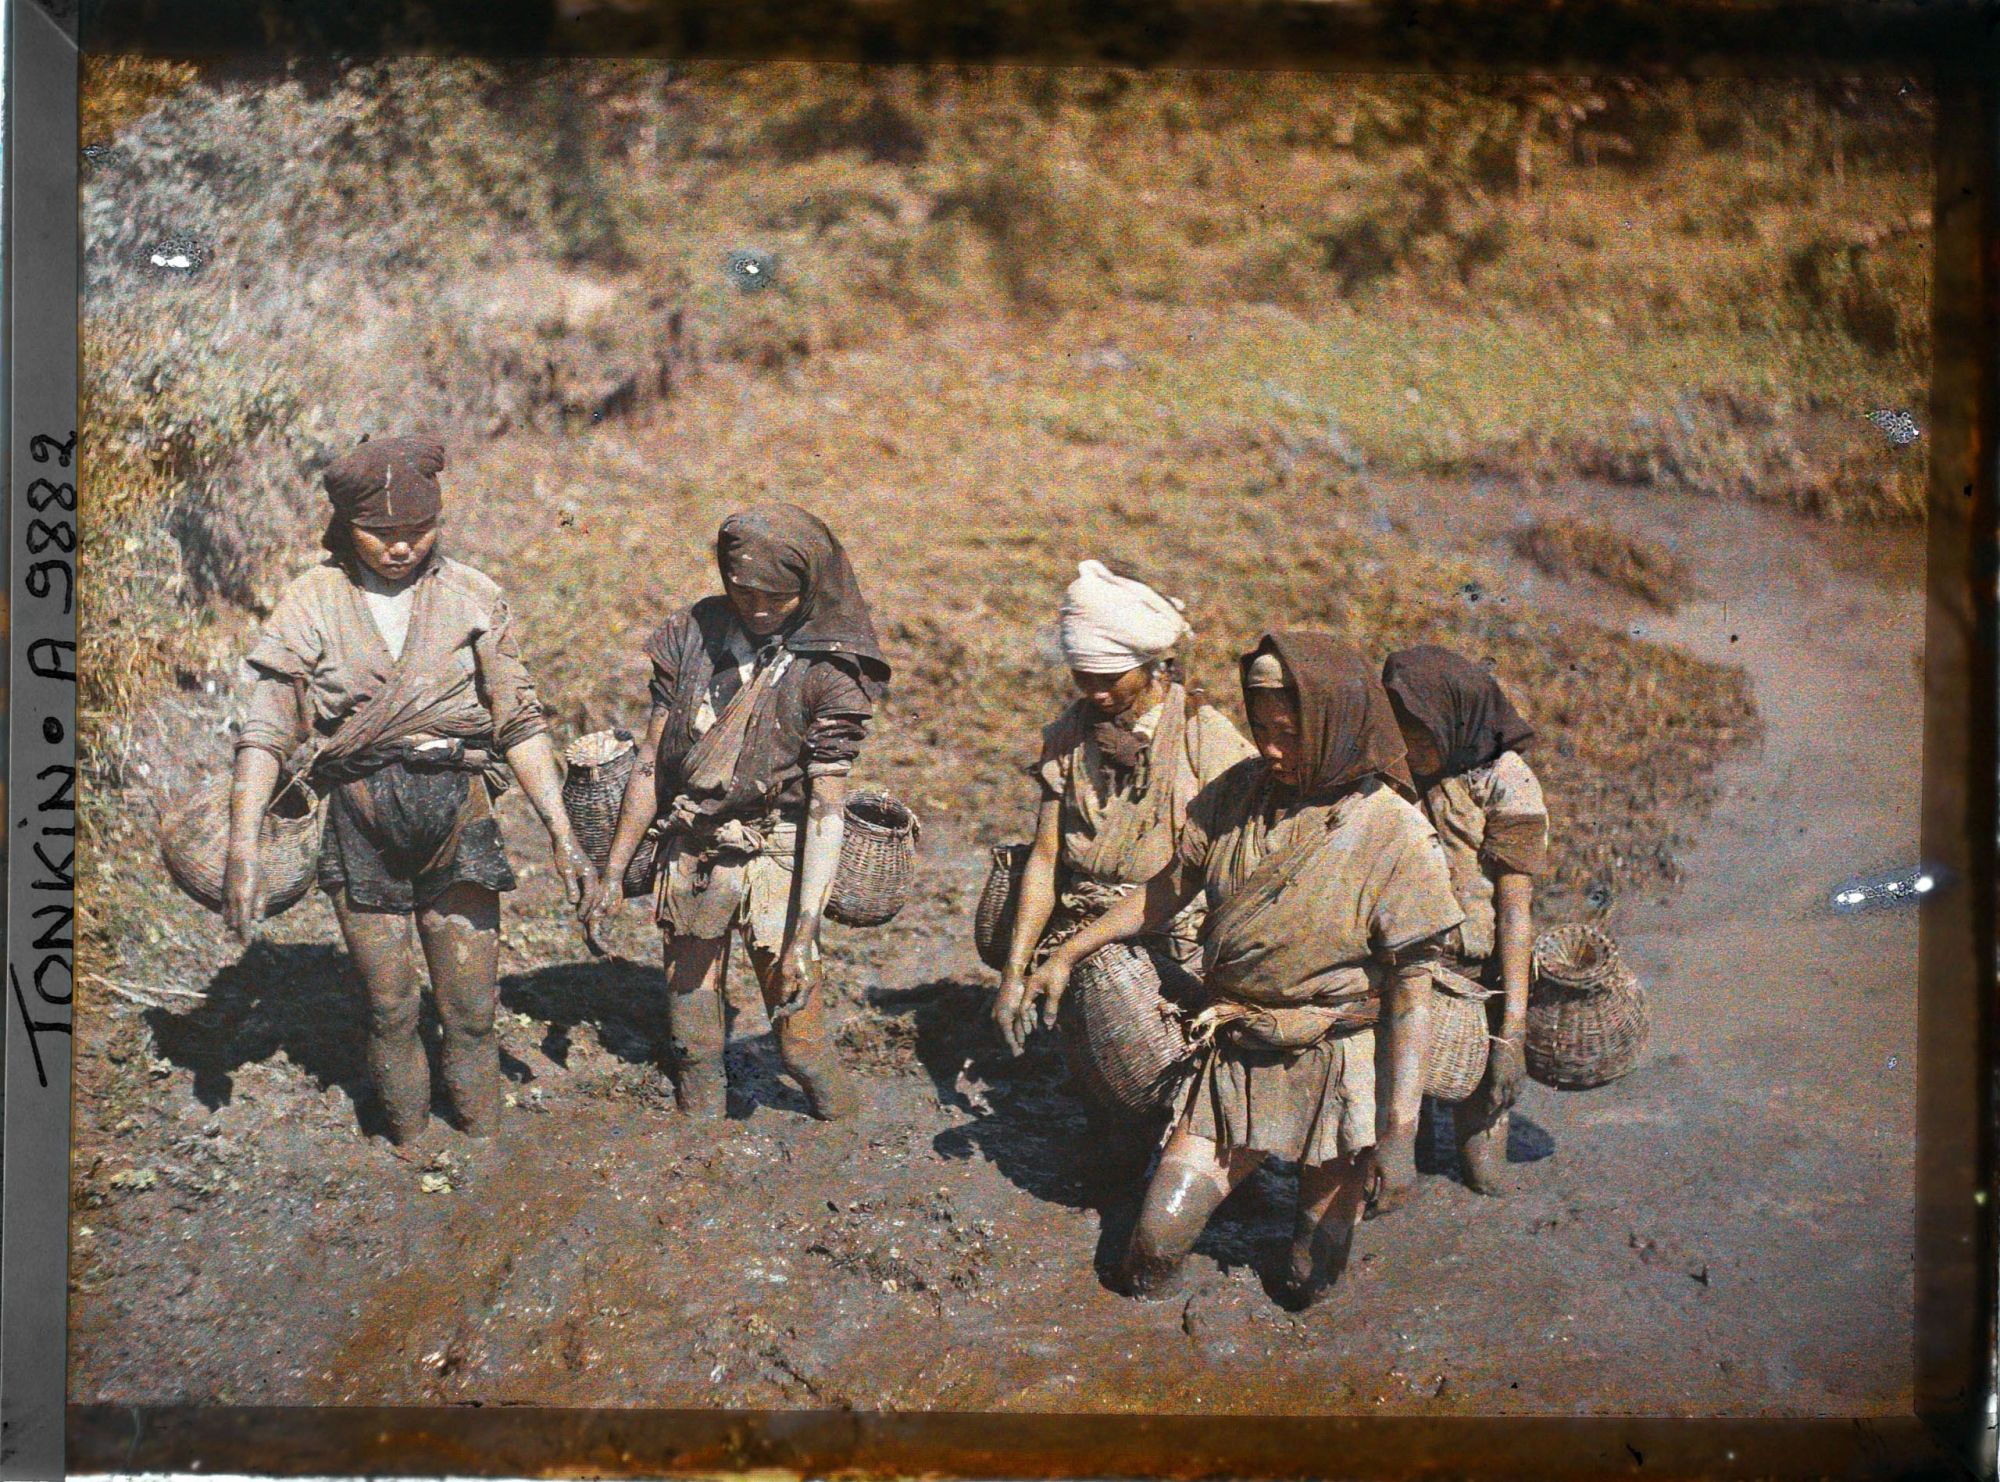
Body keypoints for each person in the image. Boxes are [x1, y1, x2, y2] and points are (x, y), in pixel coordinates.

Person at [1022, 633, 1463, 1308]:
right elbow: (1169, 888)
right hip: (1238, 1054)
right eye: (1262, 731)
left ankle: (1314, 1219)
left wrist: (1399, 1137)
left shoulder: (1395, 834)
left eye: (1292, 733)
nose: (1274, 750)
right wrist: (1069, 951)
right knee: (1154, 1244)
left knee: (1308, 1278)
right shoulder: (1239, 793)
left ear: (1339, 726)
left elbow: (1411, 1000)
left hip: (1340, 1062)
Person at [225, 434, 597, 1159]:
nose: (399, 548)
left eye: (416, 531)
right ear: (345, 525)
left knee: (470, 1011)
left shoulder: (473, 596)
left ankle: (485, 1148)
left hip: (457, 810)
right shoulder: (312, 601)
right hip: (361, 825)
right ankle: (410, 1148)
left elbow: (518, 719)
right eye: (379, 533)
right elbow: (266, 731)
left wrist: (562, 833)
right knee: (391, 1008)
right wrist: (244, 847)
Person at [584, 505, 890, 1122]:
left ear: (808, 588)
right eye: (741, 590)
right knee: (693, 1041)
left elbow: (826, 807)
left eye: (776, 598)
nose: (756, 608)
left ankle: (843, 1130)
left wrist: (803, 934)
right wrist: (613, 871)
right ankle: (698, 1153)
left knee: (800, 1043)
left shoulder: (830, 667)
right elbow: (651, 759)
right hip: (694, 842)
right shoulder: (692, 635)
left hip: (779, 846)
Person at [991, 560, 1255, 1057]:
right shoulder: (1070, 734)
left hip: (1172, 936)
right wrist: (1014, 971)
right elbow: (1047, 856)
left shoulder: (1203, 735)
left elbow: (1236, 862)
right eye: (1083, 677)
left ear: (1152, 665)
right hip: (1080, 921)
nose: (1096, 693)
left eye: (1111, 678)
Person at [1381, 645, 1550, 1195]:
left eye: (1420, 732)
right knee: (1397, 1141)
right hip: (1408, 971)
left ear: (1452, 721)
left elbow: (1514, 910)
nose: (1409, 745)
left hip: (1481, 978)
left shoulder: (1504, 781)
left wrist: (1512, 1034)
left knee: (1484, 1175)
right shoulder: (1395, 776)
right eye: (1400, 729)